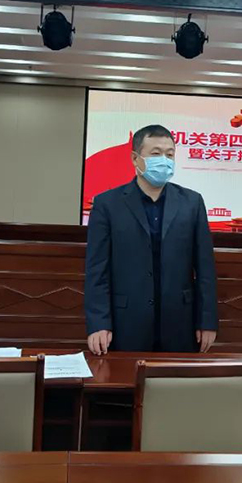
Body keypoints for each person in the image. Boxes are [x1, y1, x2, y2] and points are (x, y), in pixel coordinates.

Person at [84, 124, 218, 355]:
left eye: (170, 154)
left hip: (180, 322)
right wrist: (98, 323)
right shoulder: (107, 204)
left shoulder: (192, 203)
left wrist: (207, 321)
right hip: (126, 322)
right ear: (135, 159)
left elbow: (205, 268)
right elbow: (97, 269)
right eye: (156, 154)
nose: (164, 161)